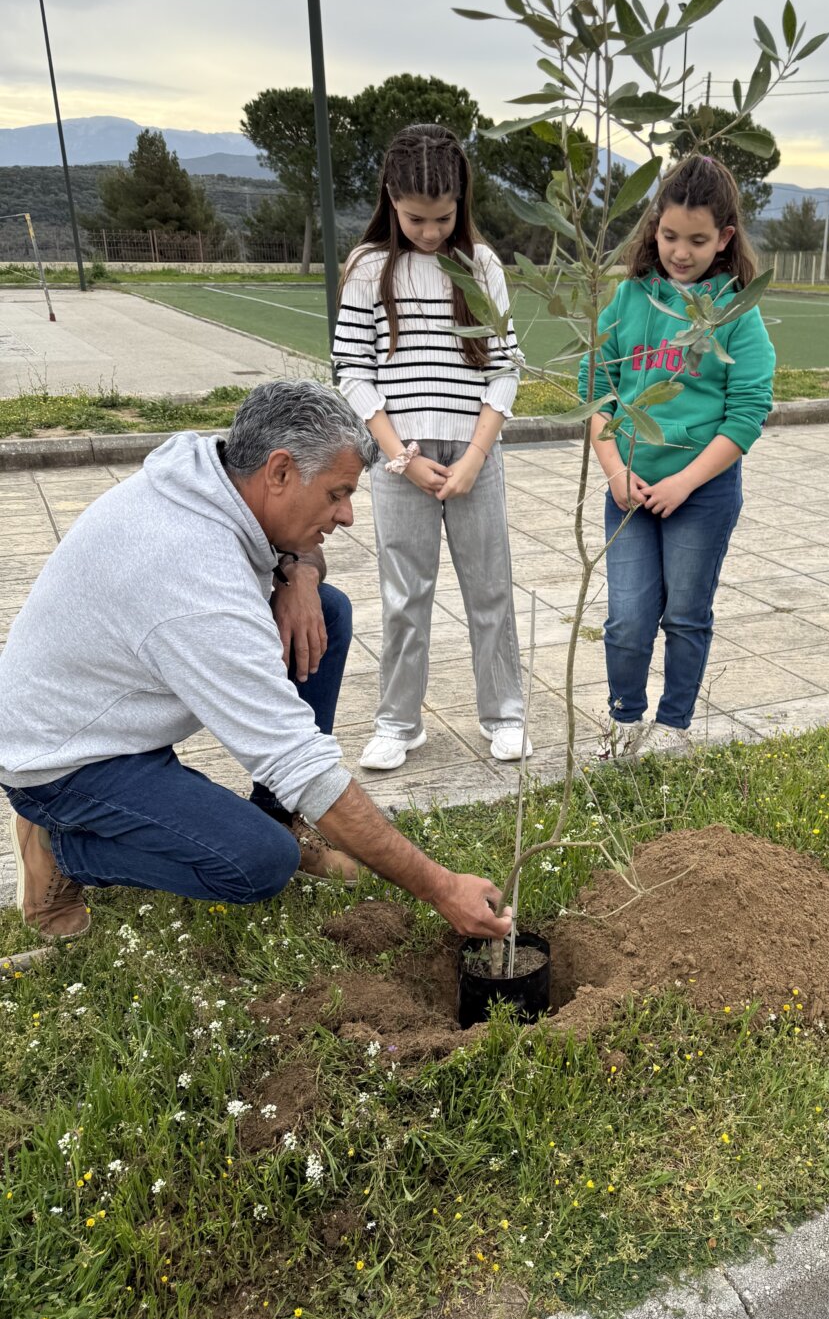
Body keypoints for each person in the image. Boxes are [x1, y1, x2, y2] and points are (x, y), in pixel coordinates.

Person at [0, 380, 511, 957]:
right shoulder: (197, 582)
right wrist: (441, 887)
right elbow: (298, 762)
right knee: (259, 863)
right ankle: (61, 848)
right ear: (280, 471)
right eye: (338, 494)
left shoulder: (210, 471)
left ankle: (278, 816)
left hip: (107, 713)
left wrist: (299, 574)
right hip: (63, 760)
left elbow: (297, 551)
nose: (346, 516)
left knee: (326, 611)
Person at [332, 123, 531, 773]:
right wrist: (402, 457)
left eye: (443, 218)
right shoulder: (367, 268)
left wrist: (474, 457)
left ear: (461, 201)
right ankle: (398, 723)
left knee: (489, 590)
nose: (429, 231)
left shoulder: (481, 264)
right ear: (390, 198)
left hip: (476, 453)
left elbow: (506, 366)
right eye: (416, 218)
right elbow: (352, 369)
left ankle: (505, 714)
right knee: (404, 597)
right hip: (399, 461)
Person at [580, 154, 776, 757]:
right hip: (629, 491)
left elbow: (747, 414)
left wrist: (685, 482)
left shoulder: (736, 314)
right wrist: (616, 471)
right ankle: (624, 721)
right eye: (669, 236)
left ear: (725, 238)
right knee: (627, 616)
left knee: (686, 614)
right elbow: (596, 390)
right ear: (654, 229)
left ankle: (673, 728)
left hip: (701, 495)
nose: (680, 252)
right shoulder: (628, 299)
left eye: (697, 240)